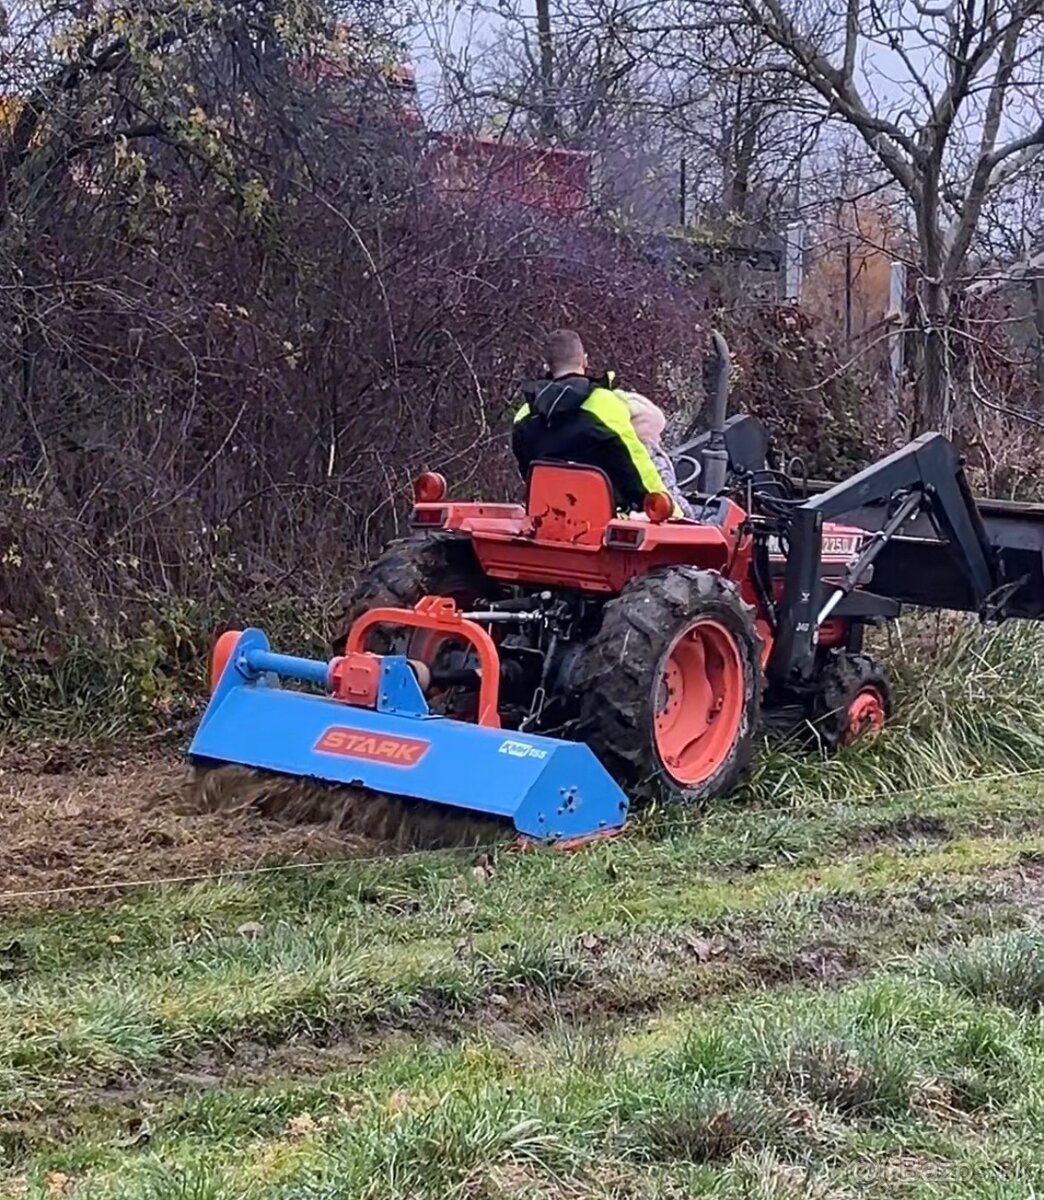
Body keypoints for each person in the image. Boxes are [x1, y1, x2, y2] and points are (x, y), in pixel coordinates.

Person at [511, 329, 675, 515]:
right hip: (606, 522)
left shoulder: (525, 415)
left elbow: (529, 474)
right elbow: (637, 467)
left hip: (548, 518)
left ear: (547, 366)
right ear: (584, 360)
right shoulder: (602, 404)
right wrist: (669, 512)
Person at [618, 390, 697, 520]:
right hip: (656, 515)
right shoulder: (653, 460)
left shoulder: (612, 454)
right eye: (657, 434)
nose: (659, 440)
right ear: (646, 433)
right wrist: (694, 518)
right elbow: (672, 499)